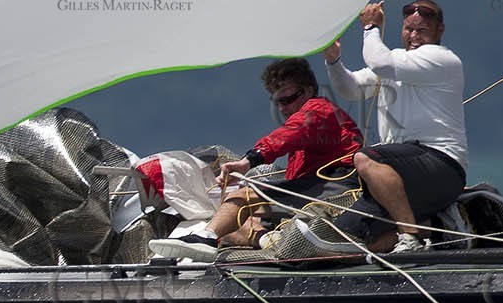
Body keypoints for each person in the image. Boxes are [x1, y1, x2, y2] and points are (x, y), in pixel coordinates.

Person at [153, 58, 362, 261]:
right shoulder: (305, 144)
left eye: (287, 99)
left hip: (337, 187)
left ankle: (205, 238)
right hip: (312, 191)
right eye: (277, 102)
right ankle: (267, 240)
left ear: (308, 90)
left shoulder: (319, 109)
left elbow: (291, 133)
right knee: (230, 218)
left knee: (245, 196)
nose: (282, 108)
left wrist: (247, 161)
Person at [324, 0, 468, 254]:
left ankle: (410, 237)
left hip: (441, 166)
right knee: (349, 236)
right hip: (398, 173)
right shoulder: (396, 62)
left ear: (440, 30)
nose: (414, 36)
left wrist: (370, 27)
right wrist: (334, 62)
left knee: (365, 158)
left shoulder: (442, 59)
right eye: (408, 29)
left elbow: (381, 63)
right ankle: (439, 228)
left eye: (422, 30)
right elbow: (351, 89)